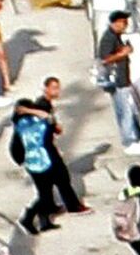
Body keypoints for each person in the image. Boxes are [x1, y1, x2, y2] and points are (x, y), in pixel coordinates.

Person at [15, 77, 88, 220]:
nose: (57, 91)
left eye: (58, 87)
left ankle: (51, 207)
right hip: (45, 148)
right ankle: (73, 206)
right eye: (54, 88)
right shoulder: (42, 105)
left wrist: (54, 127)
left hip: (45, 147)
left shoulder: (46, 103)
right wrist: (53, 126)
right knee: (62, 178)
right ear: (46, 89)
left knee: (52, 182)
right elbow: (42, 119)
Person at [12, 94, 65, 234]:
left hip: (31, 163)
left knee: (44, 192)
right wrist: (30, 111)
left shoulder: (19, 126)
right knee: (45, 195)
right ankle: (28, 217)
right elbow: (48, 118)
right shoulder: (37, 124)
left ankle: (44, 221)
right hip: (44, 161)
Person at [97, 10, 140, 152]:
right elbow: (104, 59)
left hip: (122, 79)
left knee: (124, 110)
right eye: (124, 22)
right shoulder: (109, 38)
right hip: (117, 80)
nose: (126, 25)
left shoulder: (116, 36)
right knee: (125, 111)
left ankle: (129, 137)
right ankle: (129, 140)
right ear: (116, 23)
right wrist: (123, 53)